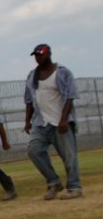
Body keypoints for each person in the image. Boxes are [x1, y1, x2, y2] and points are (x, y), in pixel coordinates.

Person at [24, 44, 82, 200]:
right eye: (35, 55)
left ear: (49, 54)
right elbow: (29, 100)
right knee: (34, 150)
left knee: (69, 156)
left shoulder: (62, 72)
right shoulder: (32, 76)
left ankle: (75, 187)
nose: (38, 57)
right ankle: (53, 182)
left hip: (60, 122)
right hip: (40, 123)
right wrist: (27, 121)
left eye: (41, 54)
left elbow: (70, 97)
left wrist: (64, 120)